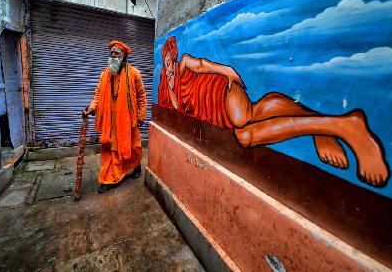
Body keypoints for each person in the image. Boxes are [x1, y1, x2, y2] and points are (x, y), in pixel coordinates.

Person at [158, 36, 389, 188]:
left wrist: (229, 72)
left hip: (222, 94)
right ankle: (324, 127)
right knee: (254, 116)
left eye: (170, 61)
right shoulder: (164, 87)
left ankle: (345, 126)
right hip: (218, 114)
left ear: (174, 57)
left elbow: (202, 65)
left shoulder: (183, 63)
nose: (168, 66)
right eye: (165, 62)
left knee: (245, 128)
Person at [84, 40, 147, 193]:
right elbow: (98, 95)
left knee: (134, 146)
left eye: (116, 54)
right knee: (110, 149)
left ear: (124, 56)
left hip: (128, 120)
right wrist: (91, 108)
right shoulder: (104, 74)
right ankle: (110, 178)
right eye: (111, 53)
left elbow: (141, 97)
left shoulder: (134, 74)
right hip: (109, 121)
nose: (113, 56)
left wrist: (141, 115)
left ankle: (136, 165)